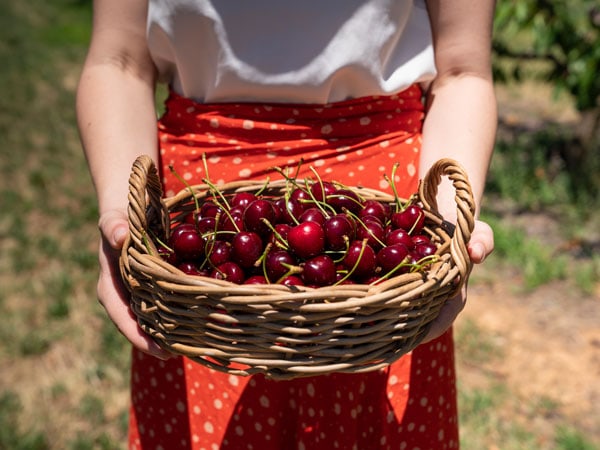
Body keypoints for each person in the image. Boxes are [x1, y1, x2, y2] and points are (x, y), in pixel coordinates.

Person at [76, 1, 496, 448]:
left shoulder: (392, 256)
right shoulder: (187, 268)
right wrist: (124, 215)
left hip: (381, 259)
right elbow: (119, 62)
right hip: (197, 264)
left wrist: (446, 223)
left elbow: (462, 71)